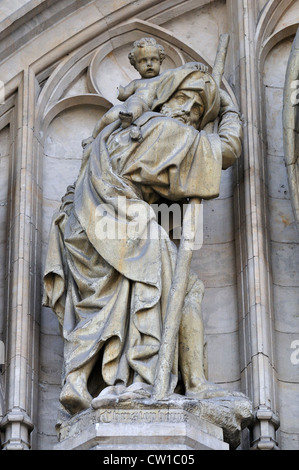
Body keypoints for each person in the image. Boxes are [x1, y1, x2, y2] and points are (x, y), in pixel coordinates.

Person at [43, 66, 243, 418]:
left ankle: (108, 381)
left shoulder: (116, 132)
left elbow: (155, 182)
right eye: (186, 100)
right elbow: (227, 150)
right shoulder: (164, 130)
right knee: (187, 291)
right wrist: (229, 110)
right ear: (165, 98)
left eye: (198, 109)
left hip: (86, 227)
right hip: (124, 230)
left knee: (159, 295)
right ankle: (158, 379)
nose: (189, 112)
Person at [92, 37, 208, 138]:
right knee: (109, 116)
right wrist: (120, 92)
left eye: (154, 60)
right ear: (136, 66)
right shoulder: (136, 83)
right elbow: (124, 94)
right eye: (143, 61)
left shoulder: (163, 77)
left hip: (146, 108)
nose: (149, 64)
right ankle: (94, 137)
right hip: (127, 106)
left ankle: (129, 118)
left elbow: (179, 71)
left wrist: (191, 66)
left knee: (136, 101)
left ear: (160, 61)